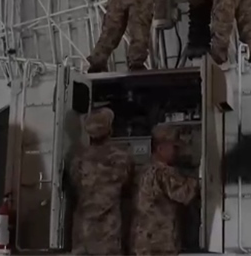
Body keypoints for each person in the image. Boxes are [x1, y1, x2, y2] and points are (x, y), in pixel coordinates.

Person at [70, 108, 134, 255]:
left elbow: (74, 186)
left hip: (83, 234)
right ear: (110, 130)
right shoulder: (121, 158)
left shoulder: (77, 159)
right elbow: (127, 188)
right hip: (108, 234)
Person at [131, 124, 199, 255]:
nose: (177, 152)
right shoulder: (163, 172)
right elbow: (185, 194)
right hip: (159, 243)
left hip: (144, 240)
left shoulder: (145, 169)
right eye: (174, 147)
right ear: (160, 148)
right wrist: (197, 178)